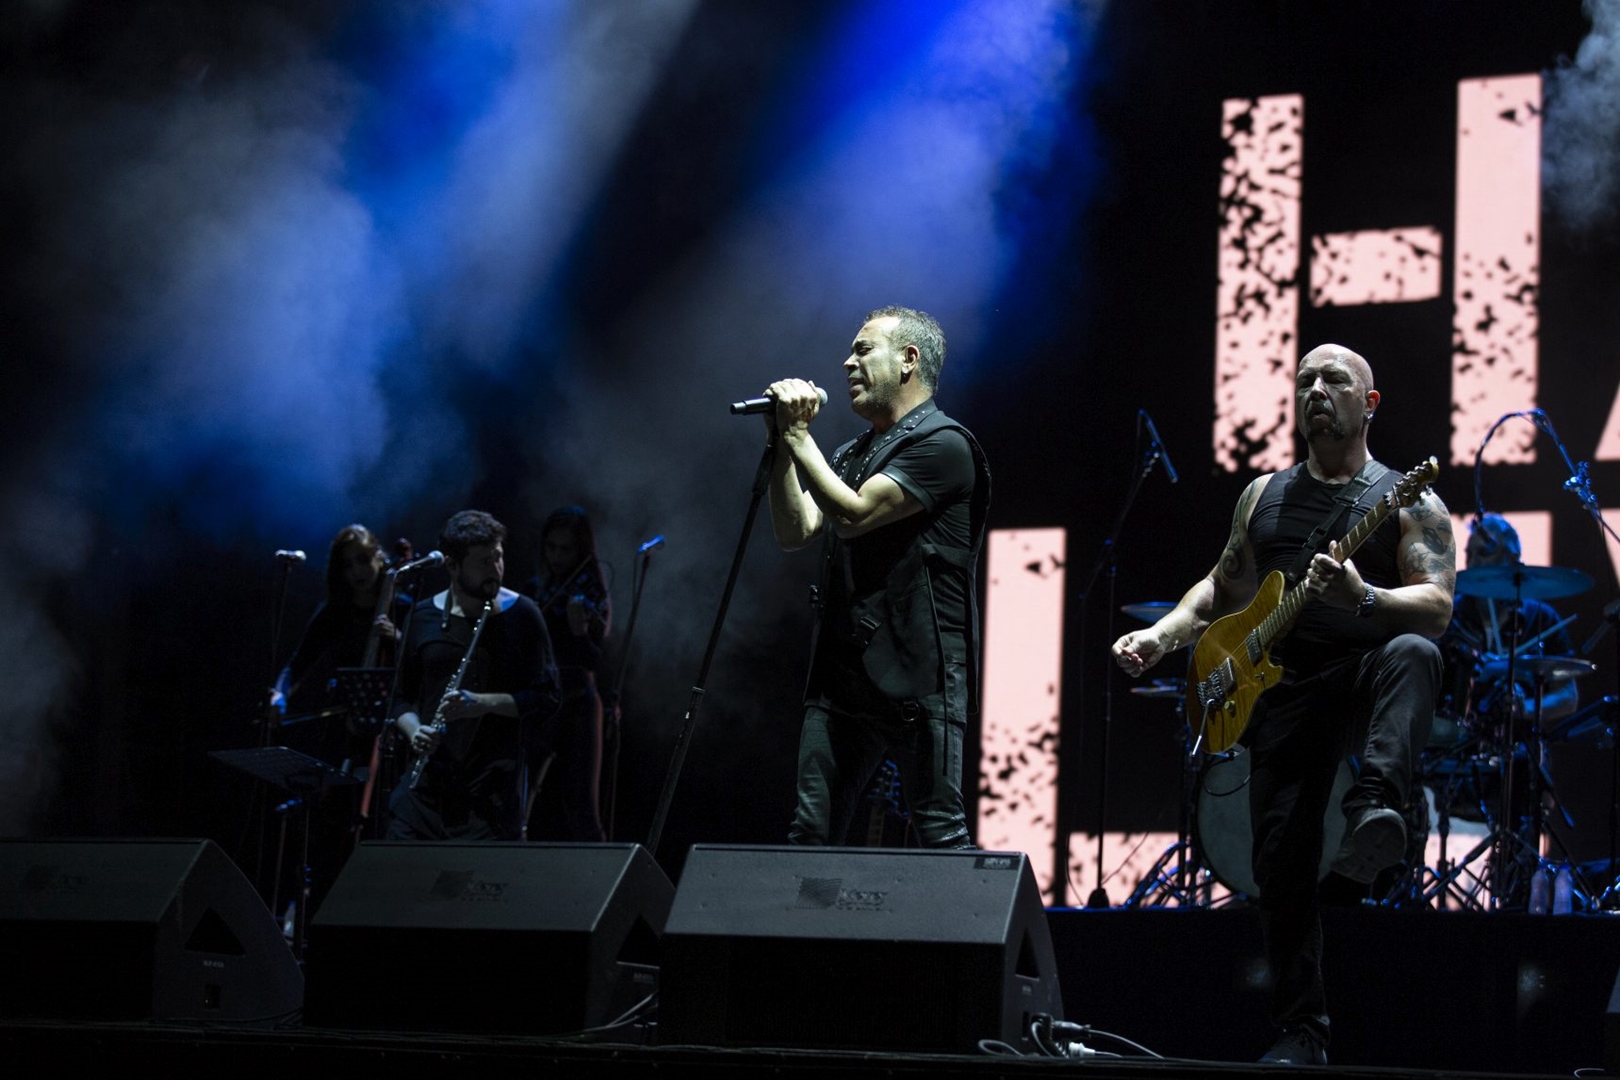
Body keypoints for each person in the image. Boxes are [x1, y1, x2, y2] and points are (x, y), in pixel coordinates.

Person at [1111, 343, 1455, 1065]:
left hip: (1361, 672)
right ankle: (1303, 1032)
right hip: (1282, 689)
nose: (1316, 390)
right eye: (1305, 381)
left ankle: (1374, 808)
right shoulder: (1262, 494)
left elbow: (1437, 608)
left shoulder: (1409, 499)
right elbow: (1221, 587)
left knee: (1414, 654)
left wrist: (1364, 596)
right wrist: (1162, 636)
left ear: (1370, 403)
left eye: (1335, 380)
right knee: (1280, 865)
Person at [764, 305, 990, 850]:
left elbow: (854, 515)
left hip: (918, 673)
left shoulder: (946, 444)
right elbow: (796, 531)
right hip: (842, 677)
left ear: (908, 359)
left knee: (940, 835)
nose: (847, 363)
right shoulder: (851, 454)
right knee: (810, 834)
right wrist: (781, 446)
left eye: (862, 350)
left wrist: (799, 436)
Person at [389, 510, 559, 841]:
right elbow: (399, 697)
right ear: (452, 566)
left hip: (489, 796)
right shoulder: (422, 616)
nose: (495, 568)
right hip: (425, 791)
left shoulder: (523, 614)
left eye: (498, 557)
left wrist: (482, 703)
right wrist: (414, 731)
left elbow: (548, 696)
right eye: (483, 561)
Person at [525, 505, 610, 841]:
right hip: (539, 701)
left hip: (577, 702)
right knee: (526, 798)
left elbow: (593, 660)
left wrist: (579, 630)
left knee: (581, 807)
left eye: (566, 549)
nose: (557, 557)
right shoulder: (535, 588)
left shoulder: (591, 592)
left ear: (581, 551)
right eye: (551, 547)